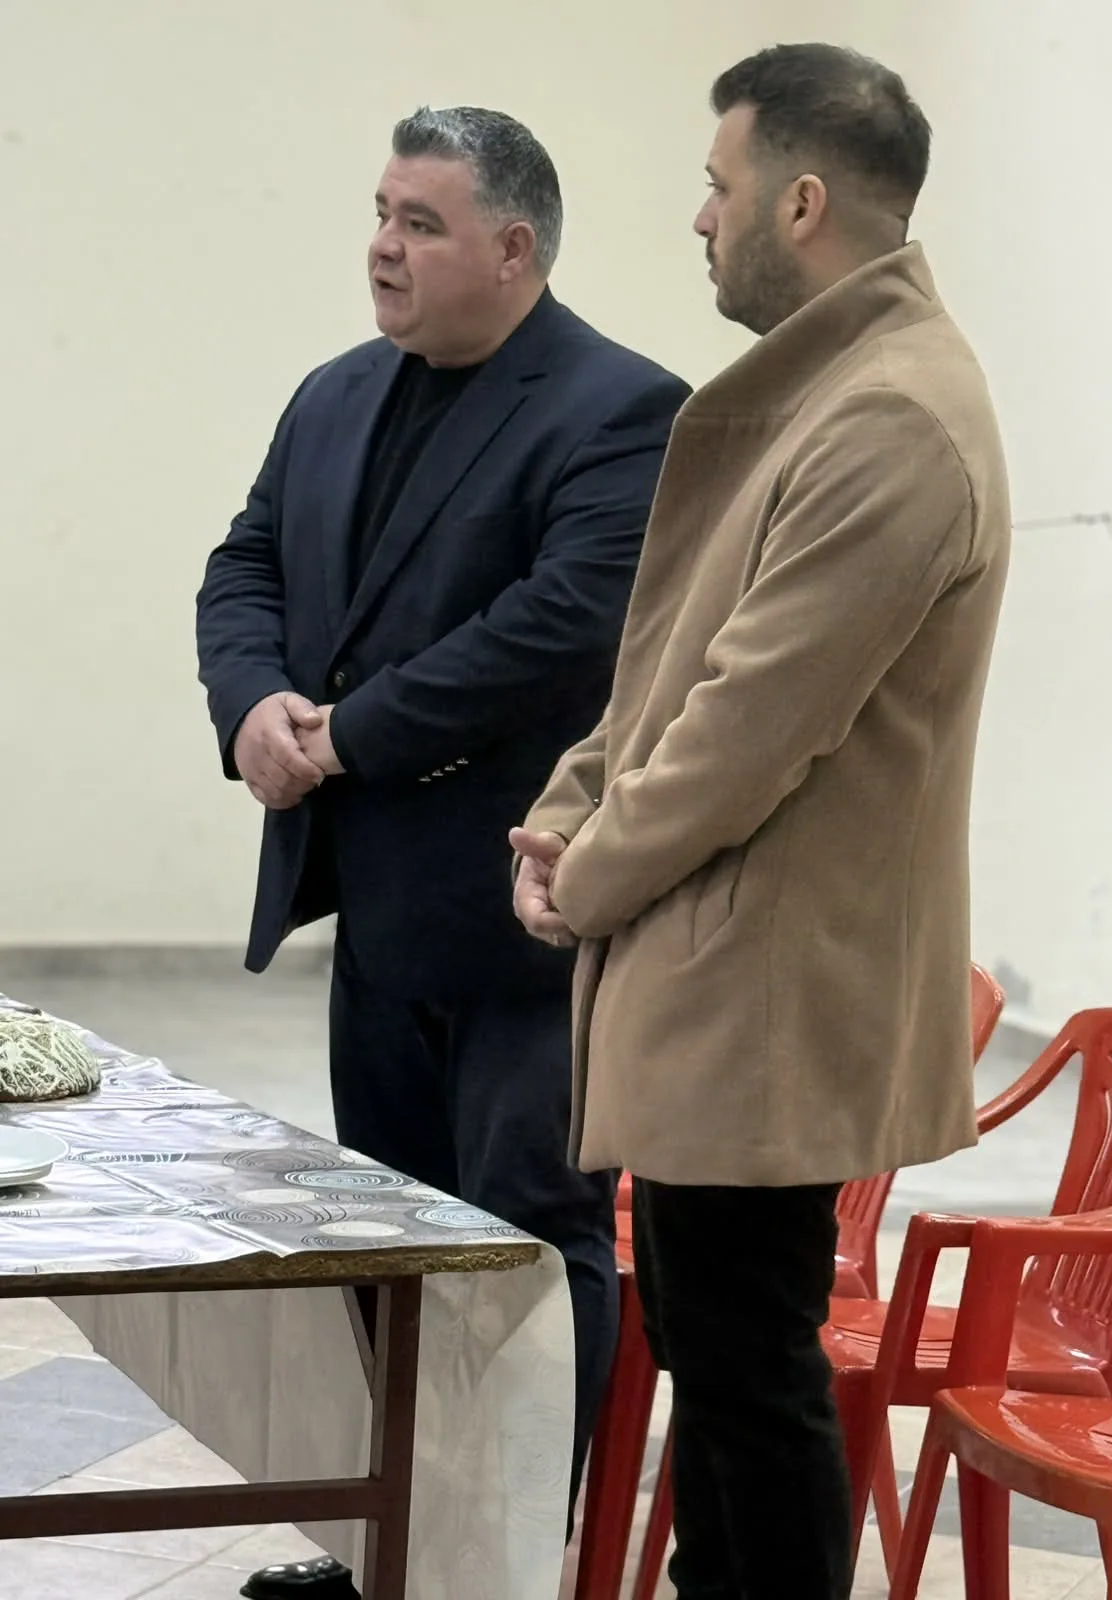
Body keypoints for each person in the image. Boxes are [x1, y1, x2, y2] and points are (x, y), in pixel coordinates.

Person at [513, 43, 1010, 1600]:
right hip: (727, 974)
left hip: (772, 990)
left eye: (716, 186)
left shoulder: (892, 419)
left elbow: (747, 731)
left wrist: (588, 875)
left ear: (801, 202)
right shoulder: (832, 394)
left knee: (747, 1371)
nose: (699, 218)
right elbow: (672, 663)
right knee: (717, 1359)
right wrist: (569, 806)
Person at [196, 106, 688, 1600]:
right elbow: (246, 563)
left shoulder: (623, 409)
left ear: (513, 247)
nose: (383, 247)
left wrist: (346, 735)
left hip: (526, 918)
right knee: (391, 1241)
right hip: (378, 908)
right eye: (381, 213)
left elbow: (560, 632)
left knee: (527, 1250)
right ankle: (396, 1552)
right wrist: (254, 707)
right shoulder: (337, 393)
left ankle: (519, 1566)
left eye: (420, 222)